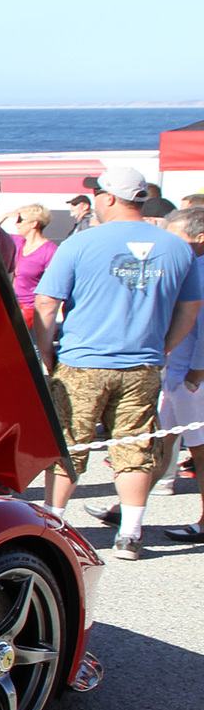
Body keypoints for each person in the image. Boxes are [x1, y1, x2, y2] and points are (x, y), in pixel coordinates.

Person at [32, 166, 202, 560]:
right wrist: (162, 347)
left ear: (107, 198)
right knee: (135, 444)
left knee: (68, 445)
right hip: (143, 364)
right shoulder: (177, 247)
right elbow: (190, 309)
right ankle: (130, 533)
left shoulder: (80, 243)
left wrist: (46, 350)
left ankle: (53, 524)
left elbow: (46, 302)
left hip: (82, 360)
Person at [154, 207, 204, 531]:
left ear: (200, 238)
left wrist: (195, 377)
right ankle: (127, 510)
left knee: (200, 452)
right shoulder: (190, 268)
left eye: (178, 236)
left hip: (190, 378)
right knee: (160, 443)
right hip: (175, 375)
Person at [5, 203, 59, 328]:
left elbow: (53, 286)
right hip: (11, 305)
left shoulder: (49, 251)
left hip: (30, 310)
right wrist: (6, 216)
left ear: (33, 224)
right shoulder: (18, 242)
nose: (16, 224)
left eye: (20, 220)